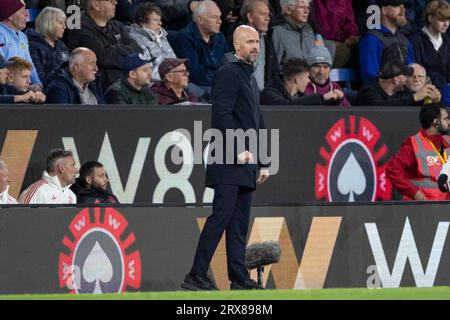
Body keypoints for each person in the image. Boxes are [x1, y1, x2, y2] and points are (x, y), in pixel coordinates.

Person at [181, 25, 269, 291]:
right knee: (221, 217)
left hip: (245, 162)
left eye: (257, 41)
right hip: (228, 160)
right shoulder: (229, 72)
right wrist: (235, 149)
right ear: (236, 45)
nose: (255, 46)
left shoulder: (249, 77)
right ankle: (196, 275)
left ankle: (239, 280)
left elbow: (258, 119)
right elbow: (221, 115)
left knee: (239, 224)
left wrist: (264, 160)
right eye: (249, 42)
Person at [66, 0, 141, 89]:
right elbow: (103, 57)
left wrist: (112, 49)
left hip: (124, 83)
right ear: (95, 4)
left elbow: (137, 50)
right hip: (102, 89)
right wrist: (126, 54)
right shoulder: (80, 29)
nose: (116, 2)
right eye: (110, 0)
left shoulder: (117, 26)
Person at [386, 104, 450, 200]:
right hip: (421, 209)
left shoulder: (447, 142)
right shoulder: (413, 144)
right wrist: (415, 193)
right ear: (436, 122)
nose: (449, 122)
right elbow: (392, 170)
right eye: (445, 119)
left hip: (443, 208)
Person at [170, 0, 231, 100]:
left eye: (219, 17)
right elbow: (194, 73)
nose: (219, 21)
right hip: (198, 85)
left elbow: (229, 58)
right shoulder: (185, 37)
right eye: (214, 17)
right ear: (200, 20)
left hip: (219, 83)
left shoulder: (220, 36)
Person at [358, 0, 415, 82]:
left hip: (404, 92)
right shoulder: (371, 39)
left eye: (404, 6)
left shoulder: (405, 41)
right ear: (384, 10)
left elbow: (412, 71)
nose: (403, 10)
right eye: (397, 5)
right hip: (380, 92)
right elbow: (370, 78)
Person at [271, 0, 336, 65]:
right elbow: (274, 67)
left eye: (308, 7)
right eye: (301, 7)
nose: (306, 11)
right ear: (288, 10)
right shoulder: (277, 32)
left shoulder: (309, 30)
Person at [260, 57, 342, 105]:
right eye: (306, 77)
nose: (308, 81)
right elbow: (287, 108)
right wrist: (322, 97)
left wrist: (334, 101)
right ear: (297, 80)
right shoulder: (269, 94)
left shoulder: (299, 95)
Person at [128, 3, 177, 82]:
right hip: (155, 86)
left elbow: (174, 59)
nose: (160, 23)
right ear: (143, 22)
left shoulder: (161, 35)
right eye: (155, 20)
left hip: (172, 79)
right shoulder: (136, 40)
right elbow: (147, 72)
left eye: (160, 20)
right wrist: (171, 76)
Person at [355, 59, 437, 106]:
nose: (407, 79)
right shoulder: (368, 91)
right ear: (396, 80)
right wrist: (415, 97)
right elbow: (381, 108)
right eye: (406, 75)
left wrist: (432, 99)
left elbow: (413, 104)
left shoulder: (401, 90)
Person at [237, 0, 279, 91]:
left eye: (268, 15)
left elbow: (274, 71)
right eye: (263, 14)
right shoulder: (235, 39)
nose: (267, 18)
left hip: (263, 96)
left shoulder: (267, 40)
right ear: (250, 17)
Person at [408, 0, 450, 90]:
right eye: (441, 19)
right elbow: (418, 71)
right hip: (426, 89)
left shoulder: (446, 40)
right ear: (430, 18)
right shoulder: (416, 40)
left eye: (448, 20)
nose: (446, 24)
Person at [0, 0, 43, 88]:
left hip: (23, 86)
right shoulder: (1, 33)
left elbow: (30, 65)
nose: (27, 14)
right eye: (22, 11)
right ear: (10, 16)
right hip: (7, 90)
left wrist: (38, 85)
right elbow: (2, 67)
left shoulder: (23, 36)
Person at [26, 6, 70, 88]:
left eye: (65, 23)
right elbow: (39, 79)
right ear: (48, 23)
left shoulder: (61, 45)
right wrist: (61, 72)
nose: (64, 27)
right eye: (61, 23)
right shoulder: (33, 46)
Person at [311, 0, 359, 68]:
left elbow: (349, 21)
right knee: (344, 52)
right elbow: (323, 30)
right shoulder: (314, 2)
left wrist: (351, 35)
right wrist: (343, 38)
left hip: (342, 40)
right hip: (320, 40)